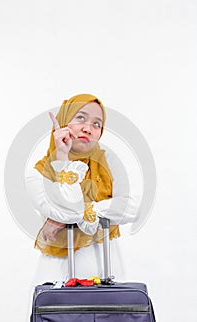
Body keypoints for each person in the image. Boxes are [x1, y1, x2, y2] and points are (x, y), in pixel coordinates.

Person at [25, 93, 139, 283]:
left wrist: (81, 212)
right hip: (56, 270)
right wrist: (62, 158)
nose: (88, 129)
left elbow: (132, 208)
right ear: (63, 121)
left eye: (97, 123)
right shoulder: (38, 174)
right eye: (80, 118)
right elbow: (71, 211)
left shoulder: (109, 162)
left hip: (106, 267)